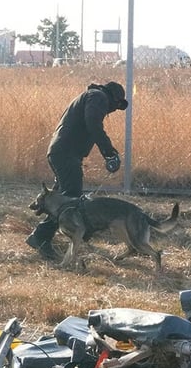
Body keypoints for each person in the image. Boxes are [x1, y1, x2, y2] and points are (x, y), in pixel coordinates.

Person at [26, 81, 129, 260]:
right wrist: (108, 152)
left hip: (61, 151)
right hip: (66, 153)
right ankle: (41, 237)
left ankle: (49, 232)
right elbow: (93, 124)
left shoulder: (89, 96)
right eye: (116, 106)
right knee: (70, 199)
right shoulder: (98, 97)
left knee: (62, 195)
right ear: (113, 98)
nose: (112, 110)